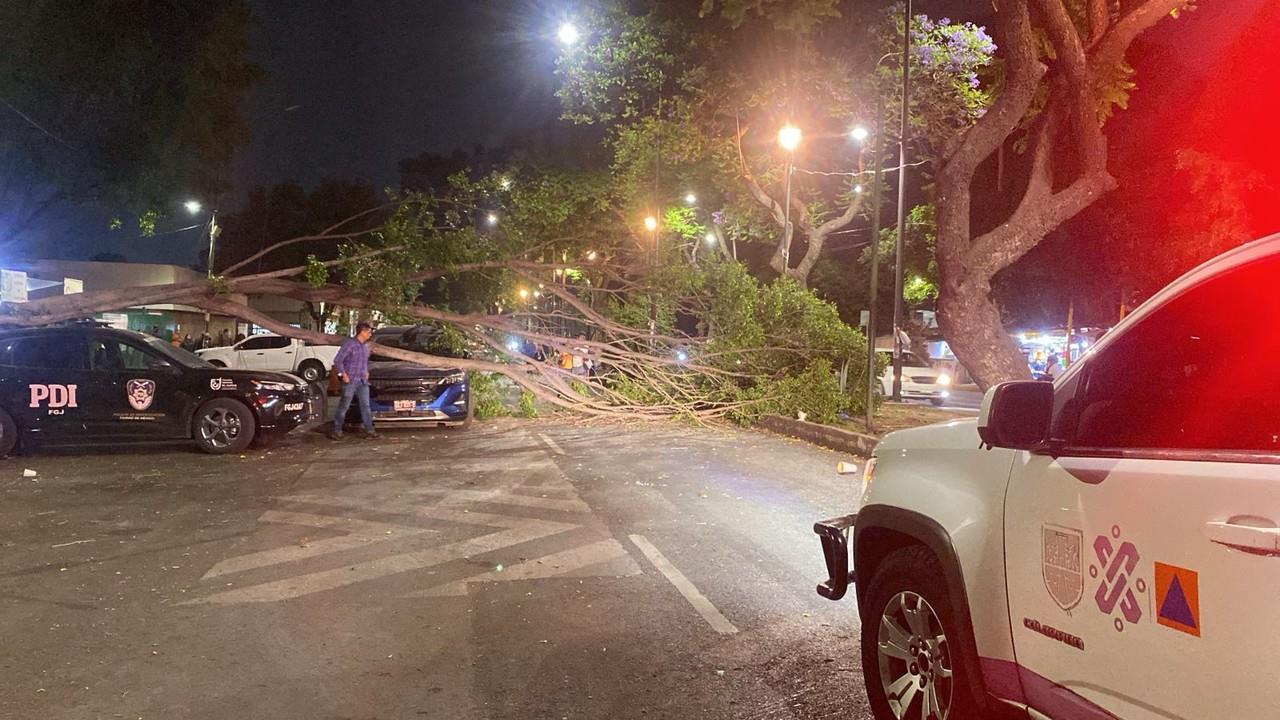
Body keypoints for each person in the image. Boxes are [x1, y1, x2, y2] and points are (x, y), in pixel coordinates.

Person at [329, 322, 377, 440]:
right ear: (363, 332)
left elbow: (364, 361)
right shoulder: (350, 344)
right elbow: (338, 360)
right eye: (369, 332)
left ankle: (369, 430)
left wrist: (366, 371)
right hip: (351, 380)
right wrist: (343, 374)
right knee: (344, 405)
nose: (370, 334)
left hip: (362, 380)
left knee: (365, 405)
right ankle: (337, 430)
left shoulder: (365, 346)